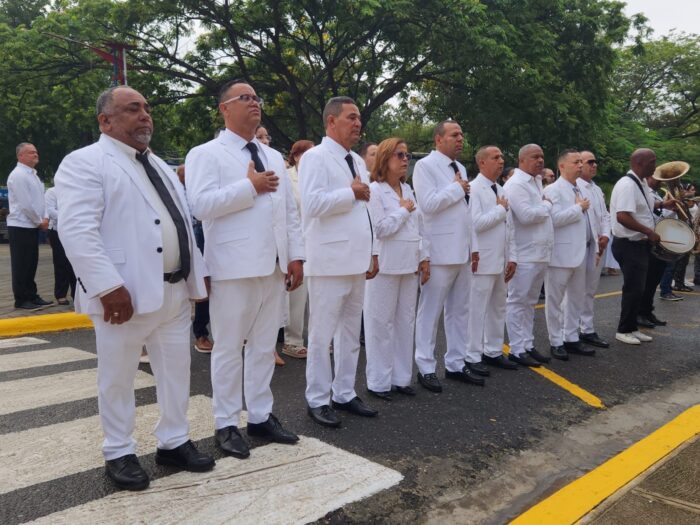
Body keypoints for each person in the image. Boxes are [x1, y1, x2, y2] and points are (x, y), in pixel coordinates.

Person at [55, 86, 215, 491]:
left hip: (173, 291)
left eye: (146, 108)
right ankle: (119, 451)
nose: (145, 115)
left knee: (176, 371)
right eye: (132, 109)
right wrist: (107, 286)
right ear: (105, 121)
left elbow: (181, 224)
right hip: (123, 296)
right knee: (118, 376)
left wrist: (197, 276)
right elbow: (77, 231)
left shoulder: (158, 164)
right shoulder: (85, 162)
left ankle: (174, 440)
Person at [186, 79, 303, 457]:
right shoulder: (206, 153)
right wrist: (249, 187)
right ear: (224, 108)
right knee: (228, 348)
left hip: (273, 265)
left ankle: (260, 416)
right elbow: (200, 206)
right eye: (245, 98)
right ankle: (225, 423)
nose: (254, 103)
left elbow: (288, 212)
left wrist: (295, 255)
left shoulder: (272, 155)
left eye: (256, 97)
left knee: (265, 346)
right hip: (233, 266)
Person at [299, 96, 379, 428]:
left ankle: (344, 392)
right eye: (351, 117)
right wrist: (350, 193)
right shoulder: (315, 157)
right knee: (322, 336)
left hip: (356, 260)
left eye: (359, 118)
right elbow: (312, 204)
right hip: (329, 261)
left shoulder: (357, 161)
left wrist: (372, 251)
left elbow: (366, 211)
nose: (358, 123)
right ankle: (318, 398)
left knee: (349, 333)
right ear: (331, 121)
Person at [413, 119, 482, 392]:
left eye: (461, 134)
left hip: (462, 250)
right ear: (438, 139)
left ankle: (455, 362)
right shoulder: (425, 166)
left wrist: (473, 247)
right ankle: (425, 367)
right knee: (430, 312)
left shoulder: (460, 168)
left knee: (459, 311)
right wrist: (457, 189)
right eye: (454, 134)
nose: (460, 139)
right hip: (439, 251)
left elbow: (466, 212)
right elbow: (428, 205)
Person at [364, 138, 429, 400]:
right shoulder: (375, 190)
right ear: (385, 158)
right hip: (386, 265)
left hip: (409, 263)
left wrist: (424, 257)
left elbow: (419, 227)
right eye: (399, 155)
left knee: (405, 322)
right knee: (380, 324)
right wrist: (402, 212)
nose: (405, 160)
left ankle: (401, 378)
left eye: (407, 156)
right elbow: (380, 229)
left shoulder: (408, 189)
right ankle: (378, 382)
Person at [610, 148, 673, 345]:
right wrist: (648, 231)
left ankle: (632, 327)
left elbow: (644, 207)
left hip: (639, 244)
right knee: (633, 288)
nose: (655, 166)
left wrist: (664, 205)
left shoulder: (641, 183)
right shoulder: (627, 185)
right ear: (639, 163)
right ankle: (623, 330)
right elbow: (622, 216)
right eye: (652, 162)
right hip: (628, 245)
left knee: (640, 289)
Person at [467, 146, 518, 372]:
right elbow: (475, 224)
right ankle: (472, 355)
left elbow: (510, 228)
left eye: (502, 157)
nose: (501, 161)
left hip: (501, 259)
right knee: (476, 310)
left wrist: (512, 257)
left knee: (498, 307)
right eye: (495, 157)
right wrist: (499, 210)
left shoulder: (501, 189)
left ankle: (493, 351)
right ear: (482, 162)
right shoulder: (474, 188)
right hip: (483, 259)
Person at [503, 144, 554, 367]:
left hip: (540, 252)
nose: (540, 160)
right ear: (522, 160)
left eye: (542, 156)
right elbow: (525, 216)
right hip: (524, 253)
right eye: (535, 157)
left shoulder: (536, 181)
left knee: (530, 302)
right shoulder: (516, 184)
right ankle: (516, 349)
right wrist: (547, 206)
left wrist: (543, 207)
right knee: (517, 301)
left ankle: (527, 344)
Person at [543, 149, 595, 360]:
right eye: (576, 162)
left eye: (581, 162)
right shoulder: (552, 190)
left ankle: (571, 337)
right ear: (562, 166)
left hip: (580, 252)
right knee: (554, 301)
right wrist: (578, 209)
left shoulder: (579, 188)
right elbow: (552, 219)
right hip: (560, 253)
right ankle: (556, 341)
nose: (581, 166)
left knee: (576, 298)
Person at [7, 143, 52, 309]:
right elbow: (25, 204)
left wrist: (45, 217)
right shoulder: (18, 175)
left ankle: (32, 295)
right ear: (20, 156)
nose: (35, 154)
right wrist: (39, 221)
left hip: (32, 225)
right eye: (31, 152)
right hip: (20, 226)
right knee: (21, 264)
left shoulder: (34, 175)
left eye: (36, 151)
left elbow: (42, 199)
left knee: (31, 263)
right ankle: (21, 299)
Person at [175, 164, 213, 353]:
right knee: (202, 285)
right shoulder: (178, 191)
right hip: (194, 234)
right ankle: (201, 334)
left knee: (216, 285)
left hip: (210, 230)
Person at [282, 139, 315, 359]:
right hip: (296, 242)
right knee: (296, 294)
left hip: (317, 243)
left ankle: (317, 339)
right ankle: (292, 341)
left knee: (317, 296)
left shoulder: (317, 176)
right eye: (306, 154)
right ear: (295, 156)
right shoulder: (287, 177)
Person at [576, 151, 611, 347]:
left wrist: (605, 234)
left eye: (595, 162)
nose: (594, 165)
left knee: (589, 290)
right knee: (573, 292)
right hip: (580, 246)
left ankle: (587, 329)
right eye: (590, 162)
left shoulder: (596, 189)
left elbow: (605, 215)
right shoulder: (575, 186)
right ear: (579, 164)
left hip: (597, 245)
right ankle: (568, 332)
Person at [44, 186, 76, 305]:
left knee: (75, 262)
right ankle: (61, 294)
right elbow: (51, 211)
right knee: (61, 262)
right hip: (57, 230)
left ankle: (77, 293)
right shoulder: (51, 192)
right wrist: (69, 217)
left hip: (74, 230)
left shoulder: (74, 191)